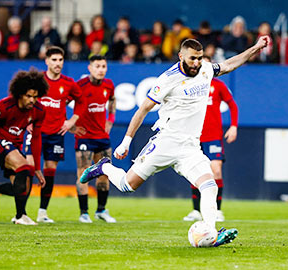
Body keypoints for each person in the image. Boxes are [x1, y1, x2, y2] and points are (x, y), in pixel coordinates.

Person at [80, 37, 269, 247]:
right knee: (127, 185)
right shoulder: (167, 79)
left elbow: (228, 65)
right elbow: (142, 109)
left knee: (209, 186)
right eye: (192, 59)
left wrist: (255, 47)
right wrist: (126, 141)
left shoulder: (206, 69)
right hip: (165, 143)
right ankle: (104, 167)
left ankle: (213, 234)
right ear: (181, 56)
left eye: (199, 58)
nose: (196, 63)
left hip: (190, 148)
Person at [0, 68, 48, 225]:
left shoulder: (39, 111)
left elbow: (36, 137)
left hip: (14, 146)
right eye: (28, 96)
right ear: (19, 93)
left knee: (24, 183)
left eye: (35, 97)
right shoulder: (4, 106)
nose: (32, 100)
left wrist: (37, 167)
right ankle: (20, 216)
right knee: (24, 168)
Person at [24, 46, 86, 223]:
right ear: (47, 61)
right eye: (54, 60)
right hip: (35, 132)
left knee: (50, 172)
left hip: (55, 134)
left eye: (60, 60)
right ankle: (21, 212)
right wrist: (27, 120)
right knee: (27, 169)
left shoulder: (68, 83)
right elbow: (22, 99)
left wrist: (71, 121)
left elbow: (81, 101)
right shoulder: (37, 81)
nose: (57, 64)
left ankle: (42, 213)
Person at [183, 55, 239, 223]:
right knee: (195, 171)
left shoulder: (218, 85)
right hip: (194, 136)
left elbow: (232, 105)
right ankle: (195, 210)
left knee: (216, 170)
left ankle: (218, 210)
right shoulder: (190, 84)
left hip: (213, 136)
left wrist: (234, 126)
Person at [73, 55, 117, 223]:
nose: (101, 69)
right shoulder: (80, 86)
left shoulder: (109, 85)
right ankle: (84, 212)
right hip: (84, 137)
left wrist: (110, 120)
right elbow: (63, 103)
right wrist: (70, 125)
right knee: (83, 172)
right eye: (97, 66)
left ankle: (101, 210)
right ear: (90, 68)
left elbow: (112, 100)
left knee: (105, 172)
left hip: (102, 137)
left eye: (103, 66)